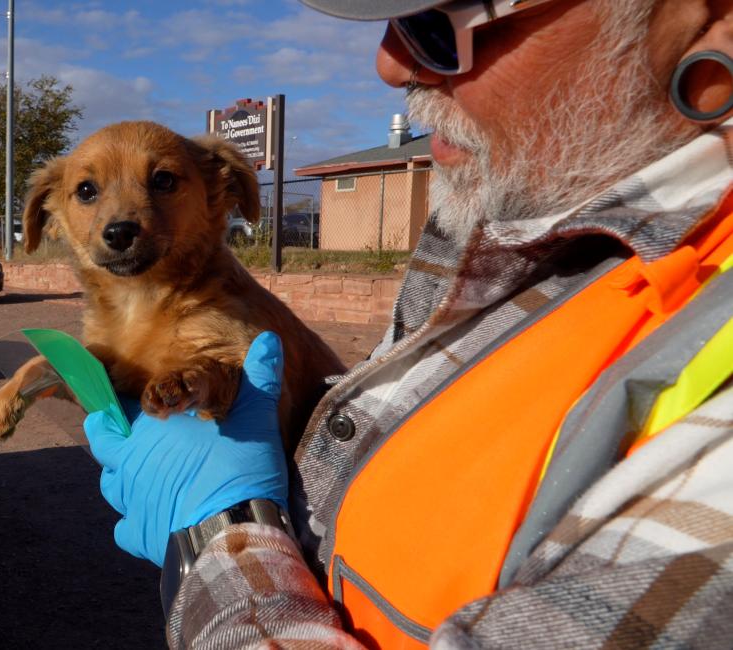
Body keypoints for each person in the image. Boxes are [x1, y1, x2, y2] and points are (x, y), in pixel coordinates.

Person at [83, 0, 733, 647]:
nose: (392, 63)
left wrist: (221, 531)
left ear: (712, 19)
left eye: (451, 14)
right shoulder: (524, 234)